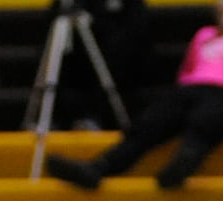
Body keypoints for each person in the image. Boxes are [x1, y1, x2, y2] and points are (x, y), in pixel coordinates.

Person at [45, 0, 223, 190]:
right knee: (152, 121)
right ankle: (100, 167)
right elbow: (188, 70)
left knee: (209, 116)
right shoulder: (205, 36)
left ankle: (185, 161)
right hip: (195, 87)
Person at [44, 0, 152, 131]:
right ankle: (58, 117)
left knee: (116, 57)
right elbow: (51, 21)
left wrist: (96, 23)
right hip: (78, 58)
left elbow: (137, 30)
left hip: (113, 58)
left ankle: (97, 117)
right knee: (63, 61)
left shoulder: (129, 7)